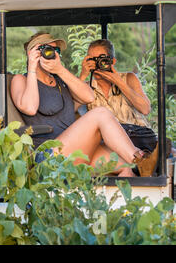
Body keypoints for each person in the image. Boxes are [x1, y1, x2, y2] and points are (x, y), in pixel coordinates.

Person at [10, 32, 154, 177]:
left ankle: (135, 189)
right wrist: (32, 68)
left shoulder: (59, 81)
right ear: (34, 53)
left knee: (125, 165)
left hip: (74, 149)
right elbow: (29, 107)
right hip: (48, 155)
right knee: (100, 113)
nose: (52, 54)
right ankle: (141, 158)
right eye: (47, 50)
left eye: (56, 51)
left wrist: (60, 70)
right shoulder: (21, 79)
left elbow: (89, 97)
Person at [79, 39, 157, 176]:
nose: (97, 64)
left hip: (139, 135)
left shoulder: (128, 78)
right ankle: (143, 161)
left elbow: (145, 109)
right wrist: (83, 74)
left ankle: (144, 157)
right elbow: (69, 108)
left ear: (112, 62)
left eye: (101, 60)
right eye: (92, 60)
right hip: (108, 143)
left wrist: (118, 82)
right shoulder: (85, 87)